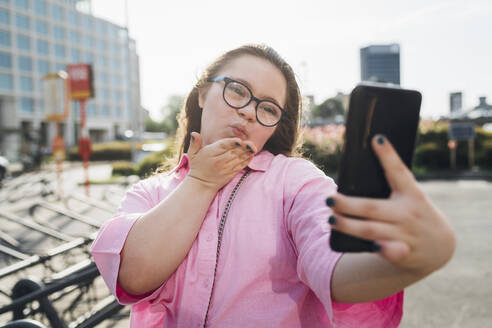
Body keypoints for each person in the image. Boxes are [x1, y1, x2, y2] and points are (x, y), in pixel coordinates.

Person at [91, 44, 456, 327]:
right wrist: (200, 182)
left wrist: (406, 262)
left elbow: (333, 266)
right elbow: (132, 276)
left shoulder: (295, 182)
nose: (249, 111)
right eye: (237, 90)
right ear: (203, 94)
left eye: (267, 108)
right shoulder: (151, 193)